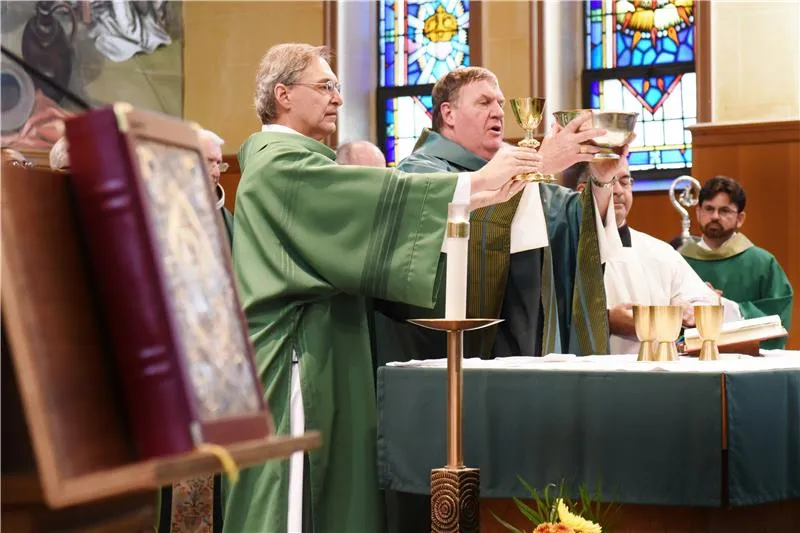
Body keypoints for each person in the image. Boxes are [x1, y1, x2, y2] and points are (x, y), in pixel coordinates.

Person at [222, 43, 541, 533]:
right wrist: (471, 186)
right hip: (296, 358)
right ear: (282, 94)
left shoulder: (299, 162)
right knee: (296, 499)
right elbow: (374, 201)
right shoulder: (277, 164)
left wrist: (477, 193)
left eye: (338, 86)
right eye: (325, 86)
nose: (337, 98)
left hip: (326, 345)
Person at [374, 66, 626, 371]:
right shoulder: (418, 170)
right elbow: (457, 212)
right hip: (451, 351)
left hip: (524, 336)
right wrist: (542, 161)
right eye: (483, 103)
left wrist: (601, 180)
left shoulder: (511, 167)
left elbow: (573, 221)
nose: (497, 112)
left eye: (500, 104)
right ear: (448, 113)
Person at [574, 162, 741, 354]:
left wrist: (689, 310)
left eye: (625, 181)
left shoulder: (659, 251)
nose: (619, 190)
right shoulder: (565, 249)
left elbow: (705, 301)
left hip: (654, 375)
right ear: (582, 192)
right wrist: (606, 321)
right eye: (609, 181)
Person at [155, 127, 233, 533]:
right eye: (208, 160)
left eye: (219, 161)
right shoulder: (156, 212)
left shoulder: (229, 220)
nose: (217, 170)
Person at [680, 176, 793, 349]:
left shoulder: (762, 263)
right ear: (698, 212)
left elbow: (778, 321)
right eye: (709, 209)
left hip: (749, 365)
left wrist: (725, 308)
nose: (715, 216)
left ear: (740, 218)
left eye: (724, 210)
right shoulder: (678, 261)